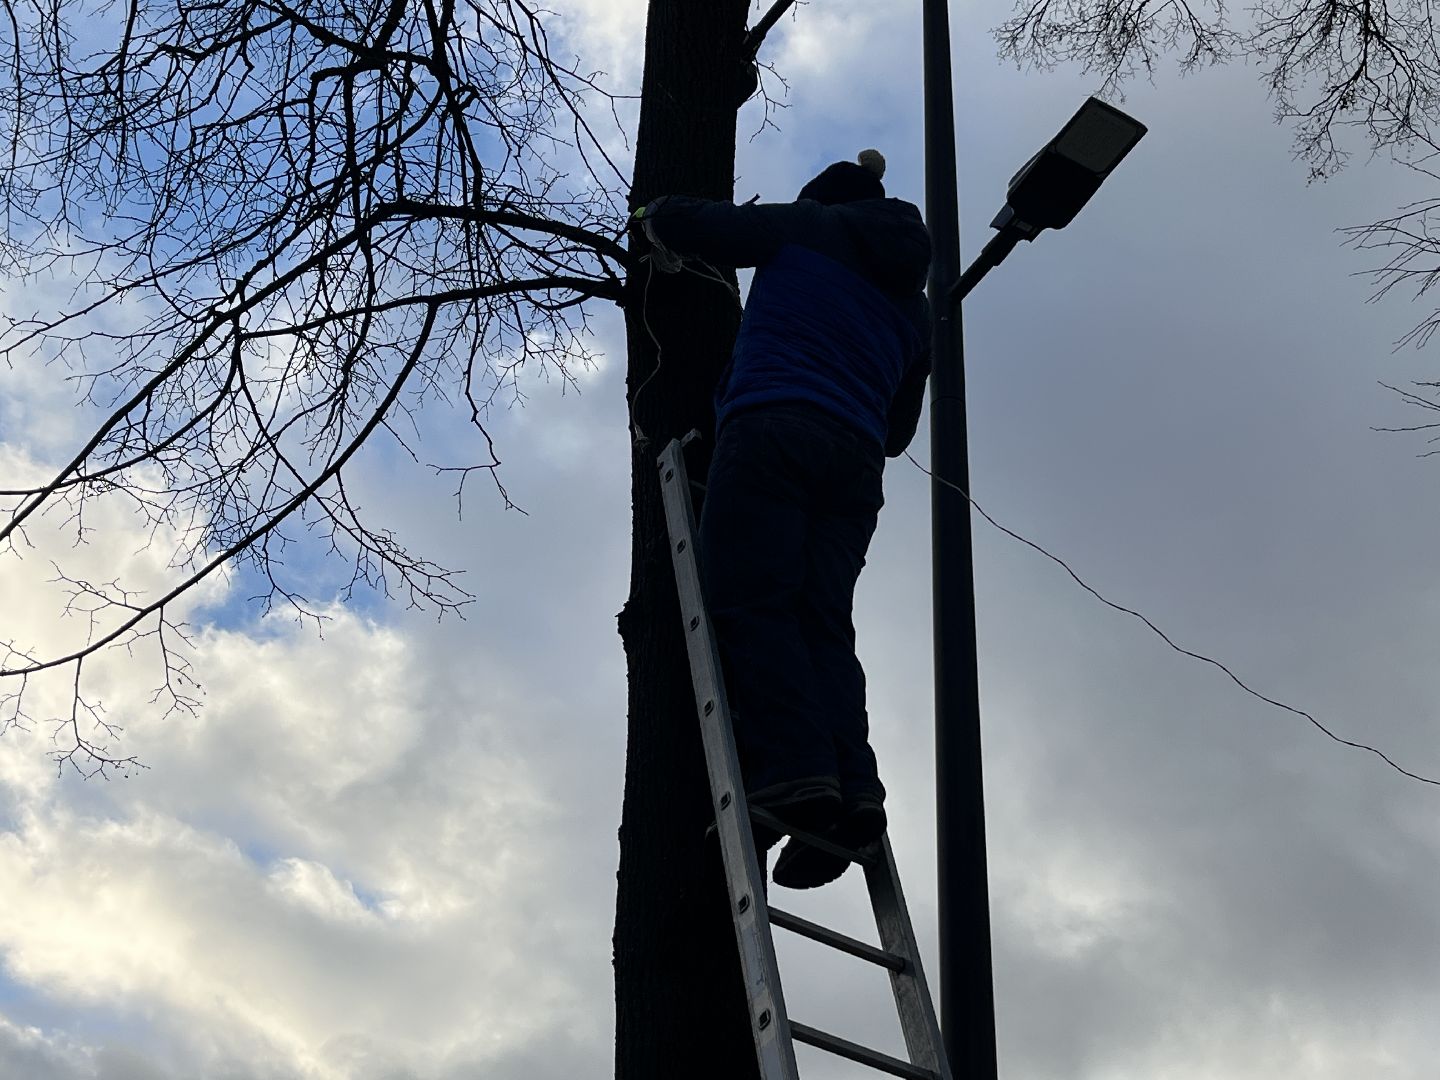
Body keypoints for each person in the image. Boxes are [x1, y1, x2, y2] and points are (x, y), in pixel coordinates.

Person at [633, 150, 932, 888]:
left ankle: (796, 777)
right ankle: (852, 790)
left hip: (773, 430)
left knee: (752, 603)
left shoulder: (809, 227)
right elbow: (899, 432)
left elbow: (704, 225)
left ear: (825, 198)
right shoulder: (915, 305)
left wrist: (651, 216)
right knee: (822, 623)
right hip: (857, 464)